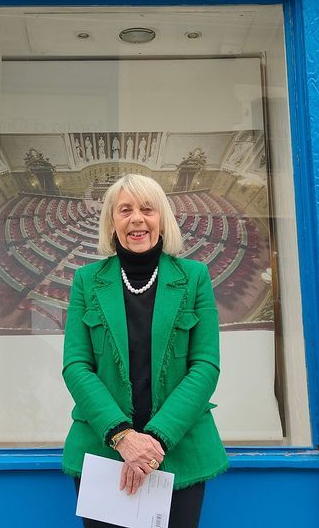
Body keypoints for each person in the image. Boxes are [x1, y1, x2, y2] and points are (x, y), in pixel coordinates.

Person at [62, 173, 228, 528]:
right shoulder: (86, 281)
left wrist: (152, 441)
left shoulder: (195, 277)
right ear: (111, 222)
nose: (136, 218)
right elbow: (76, 365)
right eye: (125, 210)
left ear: (162, 220)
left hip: (179, 451)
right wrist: (122, 436)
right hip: (104, 452)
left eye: (147, 209)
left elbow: (205, 366)